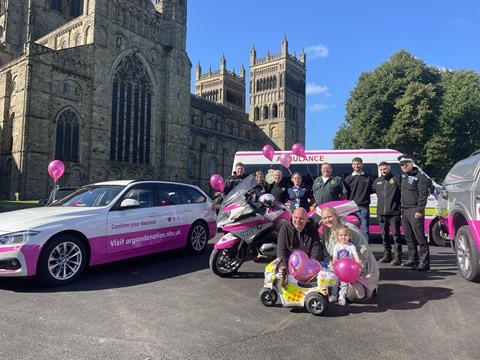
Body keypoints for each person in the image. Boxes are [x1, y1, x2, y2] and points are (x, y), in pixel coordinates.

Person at [320, 205, 379, 302]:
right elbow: (329, 256)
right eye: (325, 218)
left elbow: (363, 251)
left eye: (330, 217)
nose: (328, 220)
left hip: (360, 269)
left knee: (352, 296)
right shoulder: (327, 233)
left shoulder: (349, 229)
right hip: (340, 271)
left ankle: (371, 288)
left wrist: (356, 269)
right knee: (326, 288)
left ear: (336, 216)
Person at [398, 155, 431, 271]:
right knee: (409, 237)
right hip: (405, 210)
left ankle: (424, 262)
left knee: (420, 237)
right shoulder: (403, 177)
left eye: (406, 164)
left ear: (412, 164)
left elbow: (423, 195)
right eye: (402, 164)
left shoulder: (420, 177)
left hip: (415, 210)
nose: (404, 166)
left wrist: (419, 210)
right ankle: (413, 259)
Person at [277, 207, 324, 286]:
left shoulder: (313, 230)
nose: (298, 221)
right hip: (290, 266)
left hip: (307, 266)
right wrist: (283, 267)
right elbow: (282, 251)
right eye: (296, 218)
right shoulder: (284, 229)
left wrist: (311, 266)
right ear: (292, 217)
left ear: (307, 219)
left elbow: (316, 249)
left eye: (301, 219)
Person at [372, 161, 403, 265]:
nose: (383, 171)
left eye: (385, 169)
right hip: (381, 213)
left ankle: (398, 256)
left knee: (396, 235)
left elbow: (403, 193)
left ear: (389, 168)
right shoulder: (377, 181)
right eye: (381, 170)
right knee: (384, 235)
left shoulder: (396, 179)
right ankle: (387, 255)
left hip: (394, 212)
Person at [344, 157, 374, 244]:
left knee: (365, 231)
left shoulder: (368, 177)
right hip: (352, 207)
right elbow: (346, 193)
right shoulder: (348, 178)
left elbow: (372, 190)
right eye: (355, 164)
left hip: (364, 206)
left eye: (358, 164)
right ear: (352, 165)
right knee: (351, 230)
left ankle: (366, 251)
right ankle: (353, 249)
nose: (356, 165)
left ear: (362, 165)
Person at [330, 225, 362, 306]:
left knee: (344, 284)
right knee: (335, 282)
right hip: (338, 269)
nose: (343, 237)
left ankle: (341, 297)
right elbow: (335, 257)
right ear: (338, 236)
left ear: (349, 236)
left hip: (347, 270)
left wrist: (358, 263)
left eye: (345, 235)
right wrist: (334, 262)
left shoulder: (351, 246)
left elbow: (356, 257)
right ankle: (334, 295)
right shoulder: (337, 246)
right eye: (341, 235)